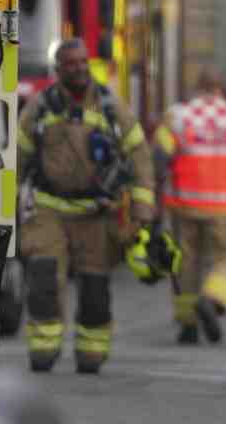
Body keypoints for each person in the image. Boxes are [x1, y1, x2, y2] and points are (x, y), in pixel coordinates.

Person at [14, 38, 157, 374]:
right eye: (71, 64)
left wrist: (142, 212)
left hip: (96, 213)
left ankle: (92, 350)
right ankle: (43, 348)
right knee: (43, 278)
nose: (79, 68)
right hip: (49, 208)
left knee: (95, 289)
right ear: (58, 70)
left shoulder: (110, 106)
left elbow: (140, 158)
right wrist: (2, 208)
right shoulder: (41, 107)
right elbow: (16, 157)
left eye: (83, 62)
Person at [153, 67, 226, 344]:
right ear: (222, 89)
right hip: (223, 206)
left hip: (184, 204)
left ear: (197, 87)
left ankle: (188, 324)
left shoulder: (178, 116)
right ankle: (212, 299)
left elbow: (159, 154)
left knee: (186, 262)